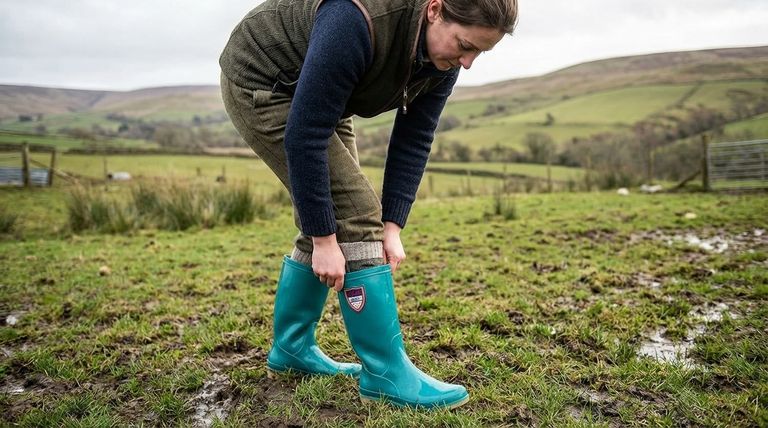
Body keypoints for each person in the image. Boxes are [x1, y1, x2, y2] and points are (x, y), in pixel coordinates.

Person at [220, 0, 517, 409]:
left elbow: (414, 139)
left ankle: (291, 351)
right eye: (465, 45)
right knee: (353, 212)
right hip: (265, 82)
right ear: (434, 10)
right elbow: (304, 133)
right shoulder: (355, 19)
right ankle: (384, 375)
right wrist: (325, 239)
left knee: (346, 212)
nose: (467, 63)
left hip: (327, 95)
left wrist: (391, 226)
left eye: (480, 52)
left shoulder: (442, 61)